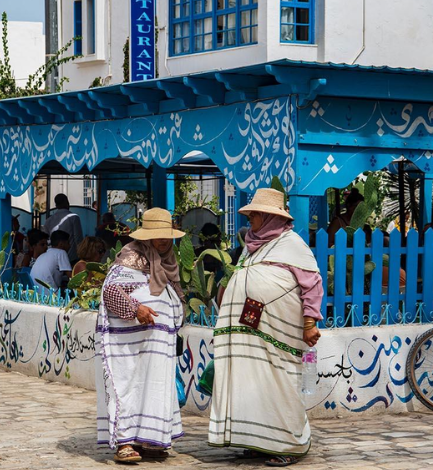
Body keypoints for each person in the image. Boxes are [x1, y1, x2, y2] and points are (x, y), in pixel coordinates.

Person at [208, 188, 323, 467]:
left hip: (279, 334)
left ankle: (288, 444)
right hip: (250, 334)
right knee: (252, 384)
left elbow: (312, 285)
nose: (251, 221)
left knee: (279, 383)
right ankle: (259, 441)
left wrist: (310, 323)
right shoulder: (252, 246)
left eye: (255, 215)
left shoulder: (292, 244)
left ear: (270, 217)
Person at [96, 208, 186, 464]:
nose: (162, 240)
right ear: (146, 236)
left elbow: (175, 295)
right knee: (129, 387)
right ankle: (124, 442)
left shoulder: (168, 262)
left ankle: (149, 439)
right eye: (157, 235)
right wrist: (136, 309)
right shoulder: (131, 257)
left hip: (157, 345)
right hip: (129, 345)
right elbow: (110, 292)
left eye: (166, 235)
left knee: (154, 388)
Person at [42, 194, 83, 264]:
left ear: (56, 205)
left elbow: (47, 240)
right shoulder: (74, 217)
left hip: (54, 258)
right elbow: (78, 239)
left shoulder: (49, 220)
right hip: (71, 258)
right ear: (67, 202)